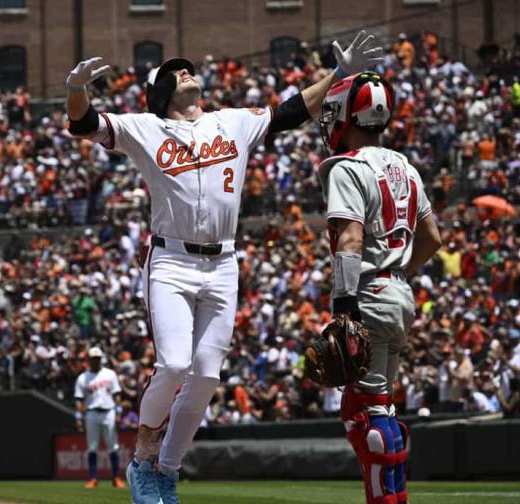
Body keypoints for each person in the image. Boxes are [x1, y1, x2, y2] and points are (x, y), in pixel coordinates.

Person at [65, 30, 384, 504]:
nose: (187, 71)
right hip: (171, 259)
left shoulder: (231, 122)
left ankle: (166, 472)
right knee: (173, 363)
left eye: (187, 67)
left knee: (208, 377)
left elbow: (291, 111)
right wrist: (75, 91)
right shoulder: (146, 127)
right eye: (176, 71)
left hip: (224, 262)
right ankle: (143, 458)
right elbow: (85, 123)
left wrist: (338, 76)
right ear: (162, 92)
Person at [316, 71, 442, 504]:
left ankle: (383, 501)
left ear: (348, 114)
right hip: (399, 294)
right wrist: (397, 270)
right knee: (383, 406)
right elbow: (433, 239)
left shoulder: (345, 166)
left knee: (362, 413)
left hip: (368, 292)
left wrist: (345, 305)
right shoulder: (405, 166)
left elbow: (349, 239)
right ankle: (395, 496)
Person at [74, 347, 126, 490]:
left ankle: (116, 477)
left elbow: (117, 395)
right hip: (91, 413)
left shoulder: (110, 374)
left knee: (113, 446)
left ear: (101, 359)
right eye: (93, 358)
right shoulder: (82, 378)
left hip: (109, 411)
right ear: (89, 360)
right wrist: (78, 417)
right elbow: (79, 399)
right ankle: (93, 478)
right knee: (92, 447)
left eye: (98, 358)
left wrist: (119, 412)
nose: (96, 361)